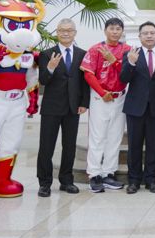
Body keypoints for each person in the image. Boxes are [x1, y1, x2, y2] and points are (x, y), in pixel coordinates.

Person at [120, 22, 155, 194]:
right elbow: (124, 79)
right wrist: (130, 63)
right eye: (145, 33)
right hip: (135, 108)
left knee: (154, 145)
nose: (149, 36)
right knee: (134, 146)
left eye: (152, 33)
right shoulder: (130, 54)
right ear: (139, 36)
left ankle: (152, 180)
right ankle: (134, 180)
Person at [36, 18, 89, 197]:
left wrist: (84, 103)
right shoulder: (46, 54)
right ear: (57, 33)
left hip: (73, 107)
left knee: (69, 146)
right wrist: (50, 68)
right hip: (51, 107)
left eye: (69, 30)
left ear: (75, 33)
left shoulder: (83, 54)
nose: (65, 33)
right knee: (46, 146)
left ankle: (66, 181)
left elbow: (85, 82)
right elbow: (43, 80)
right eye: (61, 30)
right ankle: (44, 183)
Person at [80, 18, 130, 193]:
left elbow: (126, 74)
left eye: (118, 29)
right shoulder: (95, 49)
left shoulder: (127, 50)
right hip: (100, 97)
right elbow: (88, 74)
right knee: (97, 136)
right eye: (112, 28)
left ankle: (109, 173)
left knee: (115, 137)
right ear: (105, 30)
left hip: (120, 97)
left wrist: (114, 60)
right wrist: (102, 93)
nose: (115, 32)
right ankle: (94, 174)